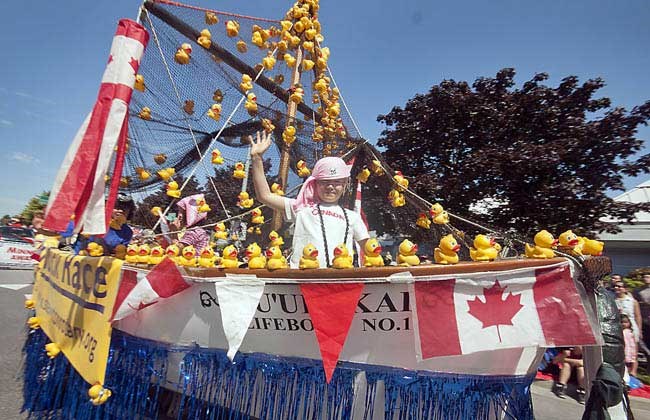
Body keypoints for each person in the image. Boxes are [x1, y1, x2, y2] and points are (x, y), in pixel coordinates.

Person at [250, 131, 369, 268]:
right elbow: (264, 196)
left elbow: (369, 249)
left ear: (344, 185)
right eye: (324, 182)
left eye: (337, 182)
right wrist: (257, 159)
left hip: (339, 281)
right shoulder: (302, 208)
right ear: (315, 183)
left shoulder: (352, 217)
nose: (330, 186)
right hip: (302, 279)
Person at [633, 273, 650, 352]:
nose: (646, 278)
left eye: (648, 277)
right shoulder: (638, 291)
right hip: (644, 319)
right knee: (646, 340)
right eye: (645, 277)